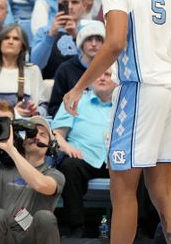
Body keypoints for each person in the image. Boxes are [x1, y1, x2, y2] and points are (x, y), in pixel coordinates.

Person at [63, 0, 171, 244]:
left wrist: (79, 86)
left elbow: (114, 44)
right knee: (163, 191)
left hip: (140, 88)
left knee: (122, 191)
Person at [0, 115, 64, 243]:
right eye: (31, 133)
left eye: (43, 134)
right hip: (6, 236)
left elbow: (41, 185)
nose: (36, 136)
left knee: (45, 217)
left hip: (33, 237)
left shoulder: (54, 174)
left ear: (50, 146)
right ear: (23, 142)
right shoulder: (1, 168)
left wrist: (11, 150)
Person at [51, 67, 116, 238]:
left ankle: (137, 229)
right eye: (98, 74)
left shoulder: (125, 104)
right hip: (83, 157)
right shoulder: (75, 100)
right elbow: (55, 134)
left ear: (117, 80)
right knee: (70, 166)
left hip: (116, 160)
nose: (102, 78)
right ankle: (75, 228)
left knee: (139, 168)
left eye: (108, 74)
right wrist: (67, 147)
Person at [0, 24, 45, 115]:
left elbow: (43, 105)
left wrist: (35, 111)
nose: (10, 42)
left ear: (22, 45)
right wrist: (14, 113)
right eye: (6, 38)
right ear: (0, 43)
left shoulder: (33, 70)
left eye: (16, 39)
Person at [47, 20, 105, 117]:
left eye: (98, 39)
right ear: (81, 43)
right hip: (73, 122)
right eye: (89, 39)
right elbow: (54, 108)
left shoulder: (111, 70)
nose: (94, 44)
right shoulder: (65, 69)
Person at [31, 0, 86, 79]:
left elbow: (93, 64)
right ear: (58, 5)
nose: (69, 7)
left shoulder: (90, 31)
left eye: (75, 2)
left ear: (84, 6)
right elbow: (35, 65)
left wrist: (76, 37)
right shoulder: (44, 31)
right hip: (49, 86)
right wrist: (50, 36)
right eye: (65, 2)